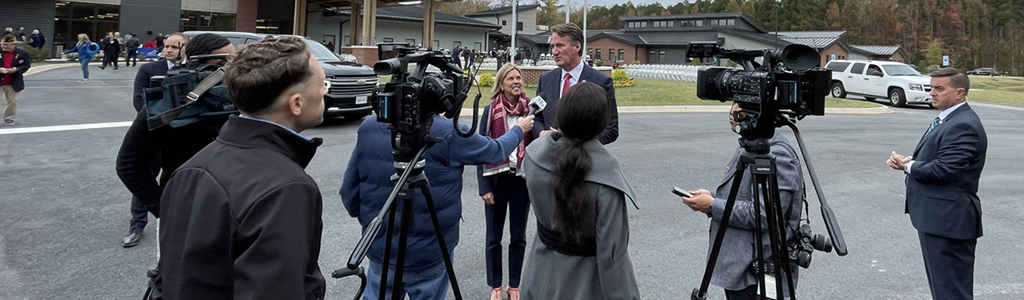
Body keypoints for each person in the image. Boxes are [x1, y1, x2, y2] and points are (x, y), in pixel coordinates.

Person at [156, 36, 327, 299]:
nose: (325, 91)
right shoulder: (285, 188)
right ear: (296, 103)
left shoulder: (192, 166)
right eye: (321, 85)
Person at [341, 88, 534, 300]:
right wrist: (519, 129)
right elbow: (495, 150)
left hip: (381, 249)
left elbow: (349, 193)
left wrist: (374, 222)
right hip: (430, 252)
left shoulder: (368, 127)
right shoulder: (448, 132)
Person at [518, 82, 639, 300]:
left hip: (538, 273)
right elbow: (612, 257)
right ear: (600, 123)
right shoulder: (606, 178)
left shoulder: (534, 156)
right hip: (585, 284)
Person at [116, 33, 229, 250]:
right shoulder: (169, 102)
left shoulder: (242, 98)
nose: (230, 69)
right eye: (222, 62)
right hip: (183, 206)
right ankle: (137, 225)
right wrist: (164, 211)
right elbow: (129, 164)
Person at [681, 103, 804, 300]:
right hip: (740, 268)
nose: (733, 111)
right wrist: (713, 197)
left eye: (742, 105)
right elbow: (744, 196)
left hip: (756, 273)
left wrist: (713, 205)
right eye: (733, 103)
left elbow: (765, 215)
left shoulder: (776, 153)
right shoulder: (750, 144)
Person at [887, 67, 987, 300]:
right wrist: (912, 161)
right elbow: (944, 159)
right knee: (944, 289)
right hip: (939, 218)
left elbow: (948, 169)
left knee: (951, 291)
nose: (932, 92)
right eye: (931, 87)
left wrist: (908, 167)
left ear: (960, 93)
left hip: (949, 220)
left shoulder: (963, 124)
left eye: (939, 89)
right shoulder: (950, 118)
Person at [475, 63, 533, 300]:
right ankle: (496, 286)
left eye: (518, 77)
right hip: (496, 180)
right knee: (494, 237)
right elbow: (480, 149)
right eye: (511, 78)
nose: (516, 81)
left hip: (521, 181)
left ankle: (514, 285)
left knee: (518, 236)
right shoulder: (490, 111)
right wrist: (484, 187)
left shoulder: (530, 111)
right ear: (501, 84)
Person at [534, 23, 619, 145]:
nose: (554, 52)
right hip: (549, 156)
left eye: (560, 46)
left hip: (582, 159)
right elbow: (537, 118)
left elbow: (611, 129)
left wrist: (577, 143)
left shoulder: (600, 82)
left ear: (577, 46)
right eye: (552, 46)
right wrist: (542, 133)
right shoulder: (546, 79)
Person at [0, 34, 31, 126]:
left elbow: (26, 65)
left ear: (14, 44)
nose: (6, 47)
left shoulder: (22, 54)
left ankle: (9, 118)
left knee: (12, 101)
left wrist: (16, 70)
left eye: (8, 45)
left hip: (13, 81)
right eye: (3, 44)